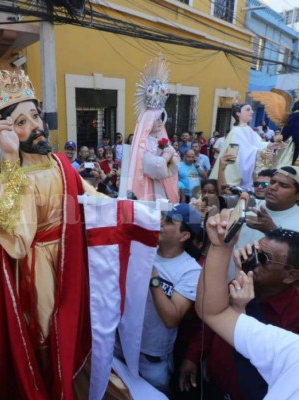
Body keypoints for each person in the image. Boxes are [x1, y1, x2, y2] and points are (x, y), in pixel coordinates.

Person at [0, 69, 106, 399]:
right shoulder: (12, 178)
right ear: (8, 132)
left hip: (71, 258)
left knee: (79, 326)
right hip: (39, 273)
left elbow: (93, 200)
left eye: (35, 116)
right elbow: (13, 239)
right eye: (21, 122)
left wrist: (137, 211)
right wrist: (9, 157)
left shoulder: (61, 163)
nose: (35, 126)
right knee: (50, 335)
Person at [196, 208, 299, 399]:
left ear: (291, 275)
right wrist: (192, 358)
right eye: (253, 251)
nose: (250, 259)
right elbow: (213, 316)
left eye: (263, 258)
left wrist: (239, 312)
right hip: (214, 384)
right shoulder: (242, 287)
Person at [126, 204, 201, 394]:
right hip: (122, 347)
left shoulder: (190, 270)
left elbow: (171, 318)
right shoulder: (142, 250)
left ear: (184, 236)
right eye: (162, 218)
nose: (160, 224)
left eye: (168, 222)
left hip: (151, 360)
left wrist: (153, 277)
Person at [128, 55, 180, 203]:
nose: (159, 122)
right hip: (146, 187)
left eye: (160, 119)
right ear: (148, 123)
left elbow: (176, 162)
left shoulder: (161, 140)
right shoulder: (141, 145)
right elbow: (153, 168)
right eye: (155, 120)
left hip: (160, 187)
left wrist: (168, 157)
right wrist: (166, 157)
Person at [209, 102, 277, 191]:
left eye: (251, 109)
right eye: (248, 110)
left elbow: (258, 143)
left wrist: (270, 145)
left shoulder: (248, 129)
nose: (252, 112)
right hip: (234, 173)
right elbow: (240, 153)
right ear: (238, 113)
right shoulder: (235, 132)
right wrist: (260, 152)